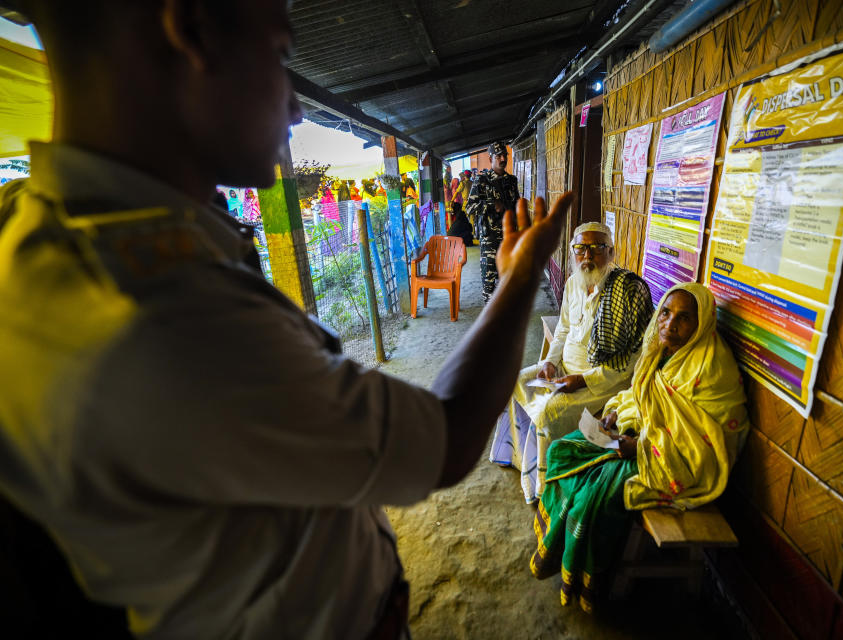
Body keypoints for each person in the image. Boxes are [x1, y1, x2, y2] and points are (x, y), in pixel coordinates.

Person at [0, 1, 574, 638]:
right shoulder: (163, 317)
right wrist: (520, 277)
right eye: (279, 55)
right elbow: (447, 435)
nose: (297, 107)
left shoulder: (36, 238)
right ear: (190, 32)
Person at [529, 282, 750, 612]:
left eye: (684, 318)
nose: (669, 324)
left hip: (670, 460)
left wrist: (641, 448)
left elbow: (704, 444)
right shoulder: (661, 350)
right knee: (561, 450)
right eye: (666, 313)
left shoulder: (712, 368)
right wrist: (616, 414)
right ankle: (556, 546)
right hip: (633, 435)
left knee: (594, 497)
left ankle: (589, 581)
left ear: (702, 323)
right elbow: (639, 393)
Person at [489, 222, 653, 503]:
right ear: (573, 253)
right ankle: (519, 459)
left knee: (549, 412)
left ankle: (543, 484)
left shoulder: (629, 291)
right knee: (517, 381)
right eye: (580, 248)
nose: (587, 255)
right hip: (563, 374)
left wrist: (581, 380)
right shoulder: (572, 283)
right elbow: (563, 329)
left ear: (611, 252)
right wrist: (551, 362)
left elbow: (634, 359)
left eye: (596, 248)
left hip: (602, 383)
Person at [466, 143, 519, 303]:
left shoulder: (512, 180)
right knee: (489, 283)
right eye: (498, 156)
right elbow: (469, 207)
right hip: (489, 238)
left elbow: (516, 204)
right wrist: (491, 205)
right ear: (490, 159)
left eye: (505, 155)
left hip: (509, 237)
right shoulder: (481, 180)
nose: (503, 159)